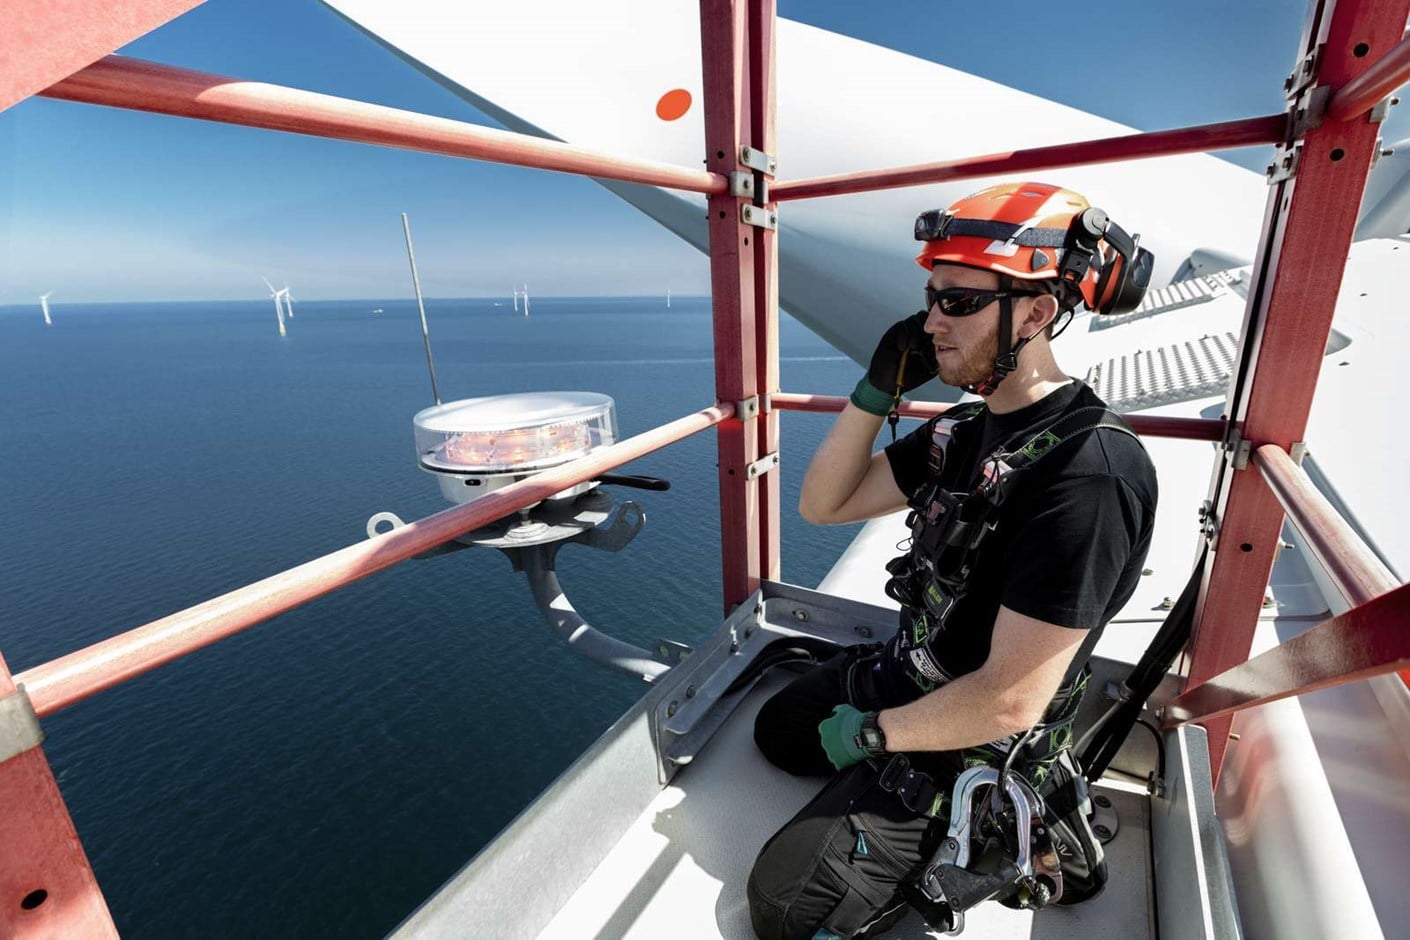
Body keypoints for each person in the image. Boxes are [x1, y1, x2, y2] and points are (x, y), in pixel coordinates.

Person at [746, 181, 1159, 939]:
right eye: (932, 298)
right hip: (916, 676)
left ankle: (1020, 819)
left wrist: (873, 736)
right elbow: (825, 504)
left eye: (960, 302)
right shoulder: (965, 433)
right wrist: (877, 389)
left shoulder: (1087, 475)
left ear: (1036, 314)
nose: (931, 322)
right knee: (777, 732)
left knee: (787, 910)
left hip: (977, 733)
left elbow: (1009, 700)